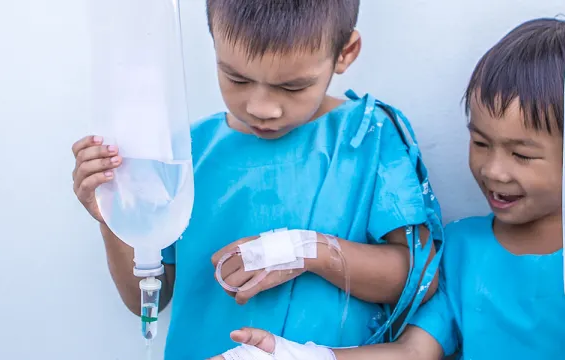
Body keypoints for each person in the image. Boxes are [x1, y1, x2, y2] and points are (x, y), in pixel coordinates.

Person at [212, 17, 565, 360]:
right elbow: (412, 353)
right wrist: (304, 355)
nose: (494, 170)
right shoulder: (460, 249)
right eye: (480, 142)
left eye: (522, 154)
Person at [70, 1, 445, 358]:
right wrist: (115, 219)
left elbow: (421, 280)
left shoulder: (369, 136)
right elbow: (147, 300)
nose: (261, 108)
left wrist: (304, 251)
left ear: (345, 53)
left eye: (292, 87)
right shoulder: (185, 153)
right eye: (236, 78)